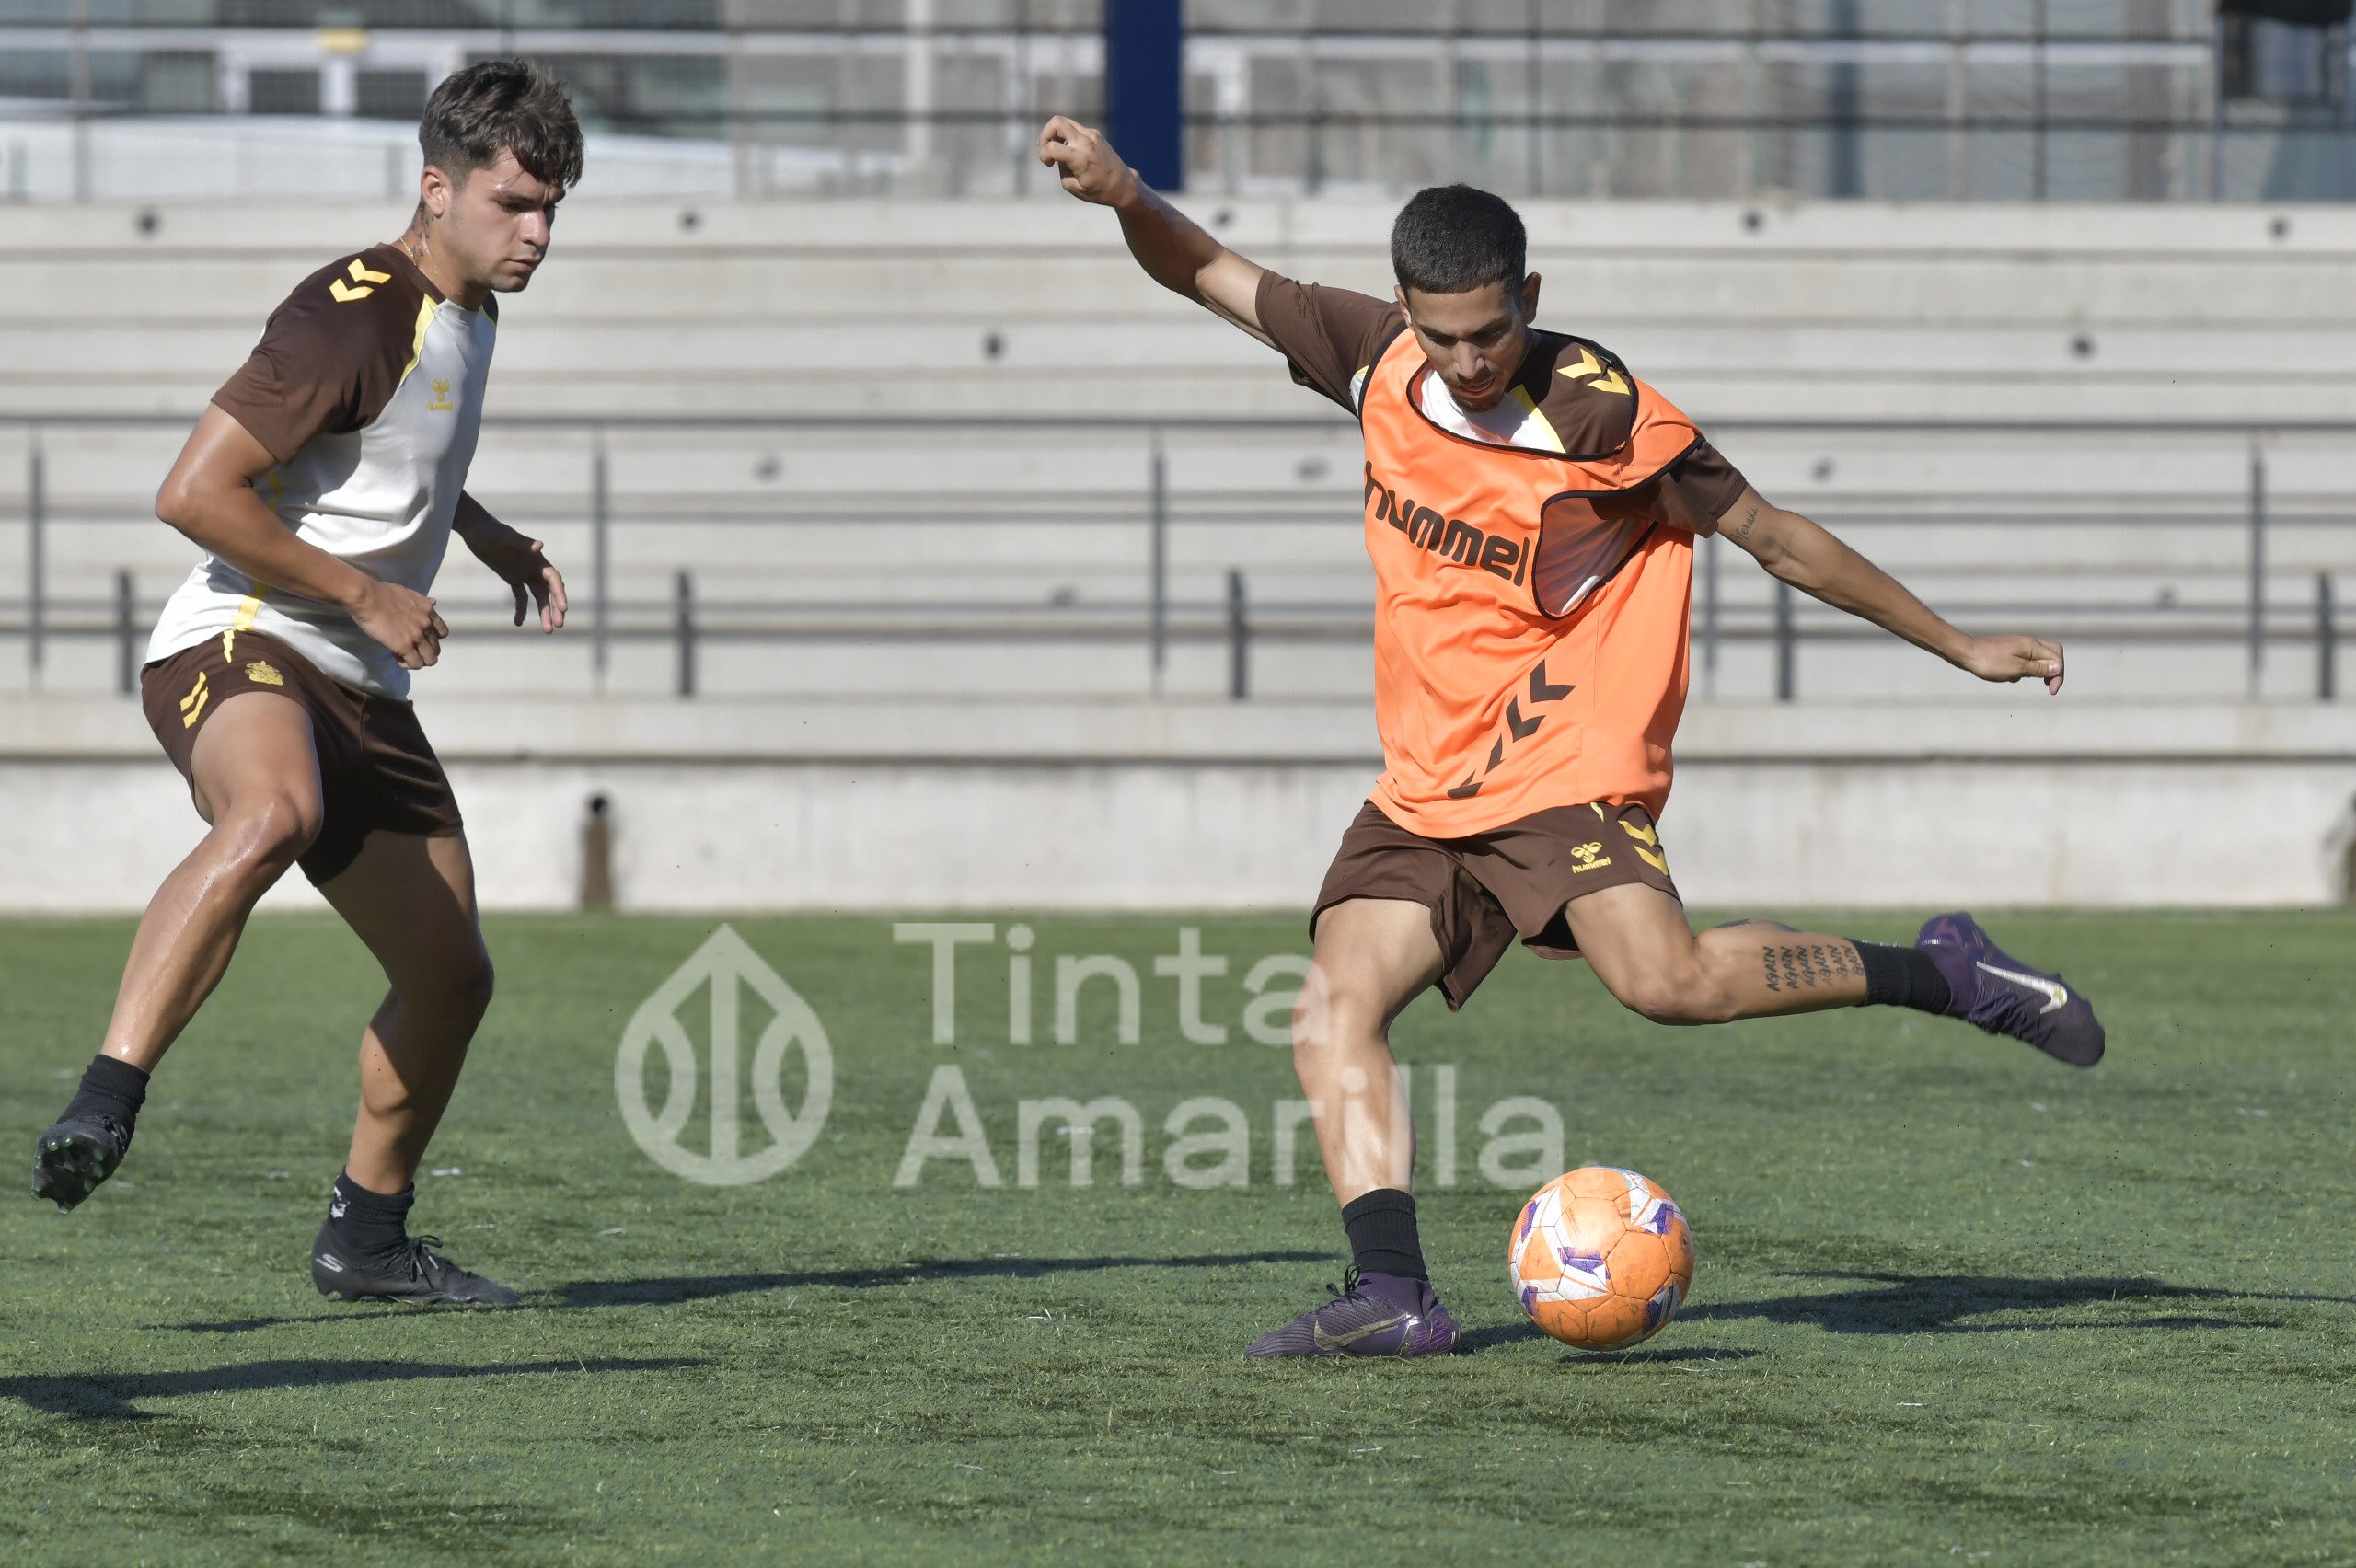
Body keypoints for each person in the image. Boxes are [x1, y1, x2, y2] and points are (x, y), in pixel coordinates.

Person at [1036, 116, 2106, 1360]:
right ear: (1404, 309)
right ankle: (1394, 1295)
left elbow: (1775, 537)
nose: (1469, 359)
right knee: (1331, 1010)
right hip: (1430, 778)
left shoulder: (1604, 419)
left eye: (1492, 331)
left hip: (1563, 755)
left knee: (1666, 985)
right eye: (1444, 334)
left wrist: (1960, 644)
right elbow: (1207, 271)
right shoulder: (1373, 358)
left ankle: (1945, 972)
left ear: (1530, 299)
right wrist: (1127, 194)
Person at [30, 61, 583, 1308]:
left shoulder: (469, 307)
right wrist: (366, 594)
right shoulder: (353, 309)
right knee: (274, 812)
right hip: (243, 639)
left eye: (552, 209)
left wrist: (483, 532)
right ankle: (106, 1101)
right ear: (436, 188)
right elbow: (193, 494)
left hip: (362, 687)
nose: (539, 234)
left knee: (452, 979)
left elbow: (385, 443)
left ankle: (367, 1242)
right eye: (514, 204)